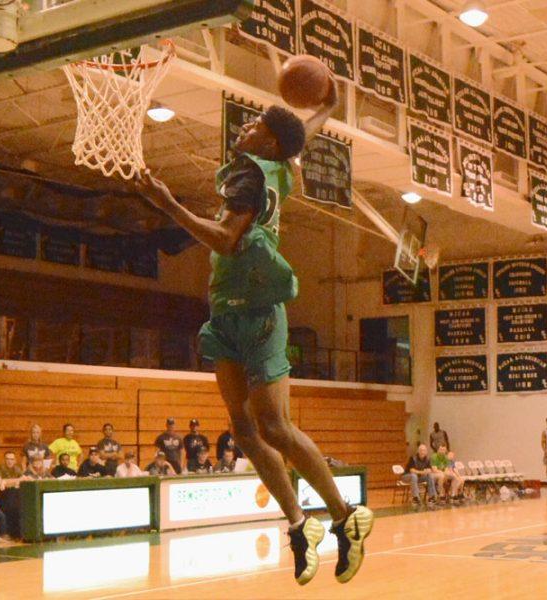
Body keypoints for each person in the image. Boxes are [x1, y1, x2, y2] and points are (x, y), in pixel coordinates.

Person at [133, 84, 373, 586]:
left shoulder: (250, 174)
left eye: (254, 125)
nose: (244, 127)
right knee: (243, 430)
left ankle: (344, 514)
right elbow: (298, 137)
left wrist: (167, 202)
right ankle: (298, 526)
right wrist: (326, 106)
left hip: (259, 311)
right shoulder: (280, 164)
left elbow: (224, 238)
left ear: (266, 144)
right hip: (225, 312)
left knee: (273, 427)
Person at [0, 452, 25, 539]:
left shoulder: (17, 469)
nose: (9, 461)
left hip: (15, 495)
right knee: (12, 504)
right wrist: (16, 481)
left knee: (18, 504)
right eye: (7, 459)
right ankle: (7, 532)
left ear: (15, 461)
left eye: (12, 459)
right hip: (1, 496)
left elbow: (23, 479)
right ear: (4, 460)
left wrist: (7, 481)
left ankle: (18, 533)